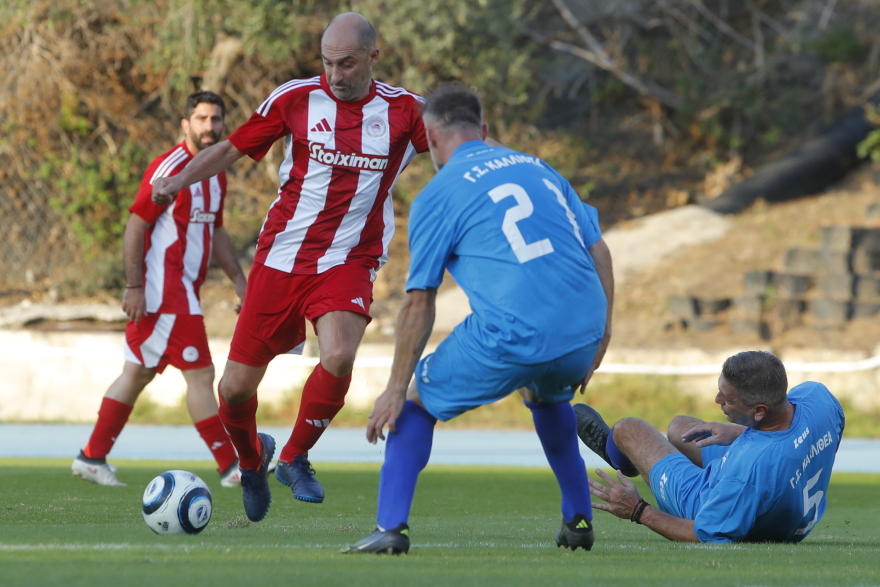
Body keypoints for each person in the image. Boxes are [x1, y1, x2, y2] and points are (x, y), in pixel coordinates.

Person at [152, 13, 431, 522]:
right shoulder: (296, 98)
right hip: (282, 257)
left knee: (341, 353)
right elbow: (231, 150)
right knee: (234, 390)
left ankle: (297, 455)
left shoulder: (406, 112)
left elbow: (459, 145)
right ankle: (252, 460)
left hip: (350, 257)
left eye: (347, 63)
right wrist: (179, 181)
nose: (336, 74)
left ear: (374, 56)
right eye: (327, 62)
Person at [341, 85, 614, 555]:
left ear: (428, 137)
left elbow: (418, 304)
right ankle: (579, 520)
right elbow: (600, 250)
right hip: (583, 329)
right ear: (484, 131)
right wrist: (602, 335)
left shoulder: (437, 195)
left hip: (515, 333)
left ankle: (390, 528)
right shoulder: (538, 167)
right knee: (545, 396)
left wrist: (392, 388)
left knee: (414, 403)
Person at [72, 90, 247, 487]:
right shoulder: (169, 166)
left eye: (216, 119)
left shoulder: (215, 170)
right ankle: (231, 467)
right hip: (165, 291)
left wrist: (239, 279)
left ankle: (92, 457)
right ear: (185, 124)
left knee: (137, 373)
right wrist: (134, 286)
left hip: (183, 291)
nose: (210, 126)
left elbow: (214, 229)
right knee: (201, 376)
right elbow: (137, 224)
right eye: (201, 119)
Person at [579, 350, 845, 543]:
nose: (717, 399)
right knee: (680, 426)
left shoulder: (749, 471)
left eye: (727, 399)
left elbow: (704, 533)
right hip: (776, 488)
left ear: (760, 411)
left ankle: (618, 454)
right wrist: (745, 432)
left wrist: (638, 510)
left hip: (710, 498)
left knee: (629, 429)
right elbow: (815, 439)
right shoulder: (818, 397)